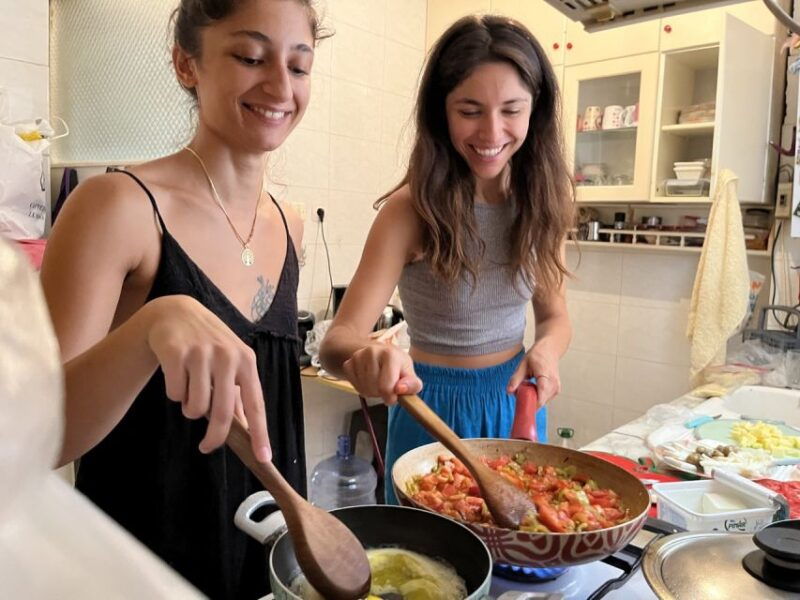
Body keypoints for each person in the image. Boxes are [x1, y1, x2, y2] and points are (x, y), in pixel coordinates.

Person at [39, 0, 326, 597]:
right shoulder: (116, 206)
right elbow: (38, 437)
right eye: (250, 56)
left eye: (299, 67)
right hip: (141, 565)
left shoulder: (290, 222)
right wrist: (153, 325)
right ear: (186, 64)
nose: (279, 85)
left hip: (262, 557)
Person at [319, 14, 574, 504]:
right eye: (470, 110)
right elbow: (337, 341)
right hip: (428, 407)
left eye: (511, 110)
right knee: (430, 567)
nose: (492, 131)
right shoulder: (409, 211)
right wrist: (365, 359)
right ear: (442, 113)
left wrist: (547, 351)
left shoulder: (544, 201)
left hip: (515, 401)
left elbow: (556, 316)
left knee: (525, 554)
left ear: (534, 111)